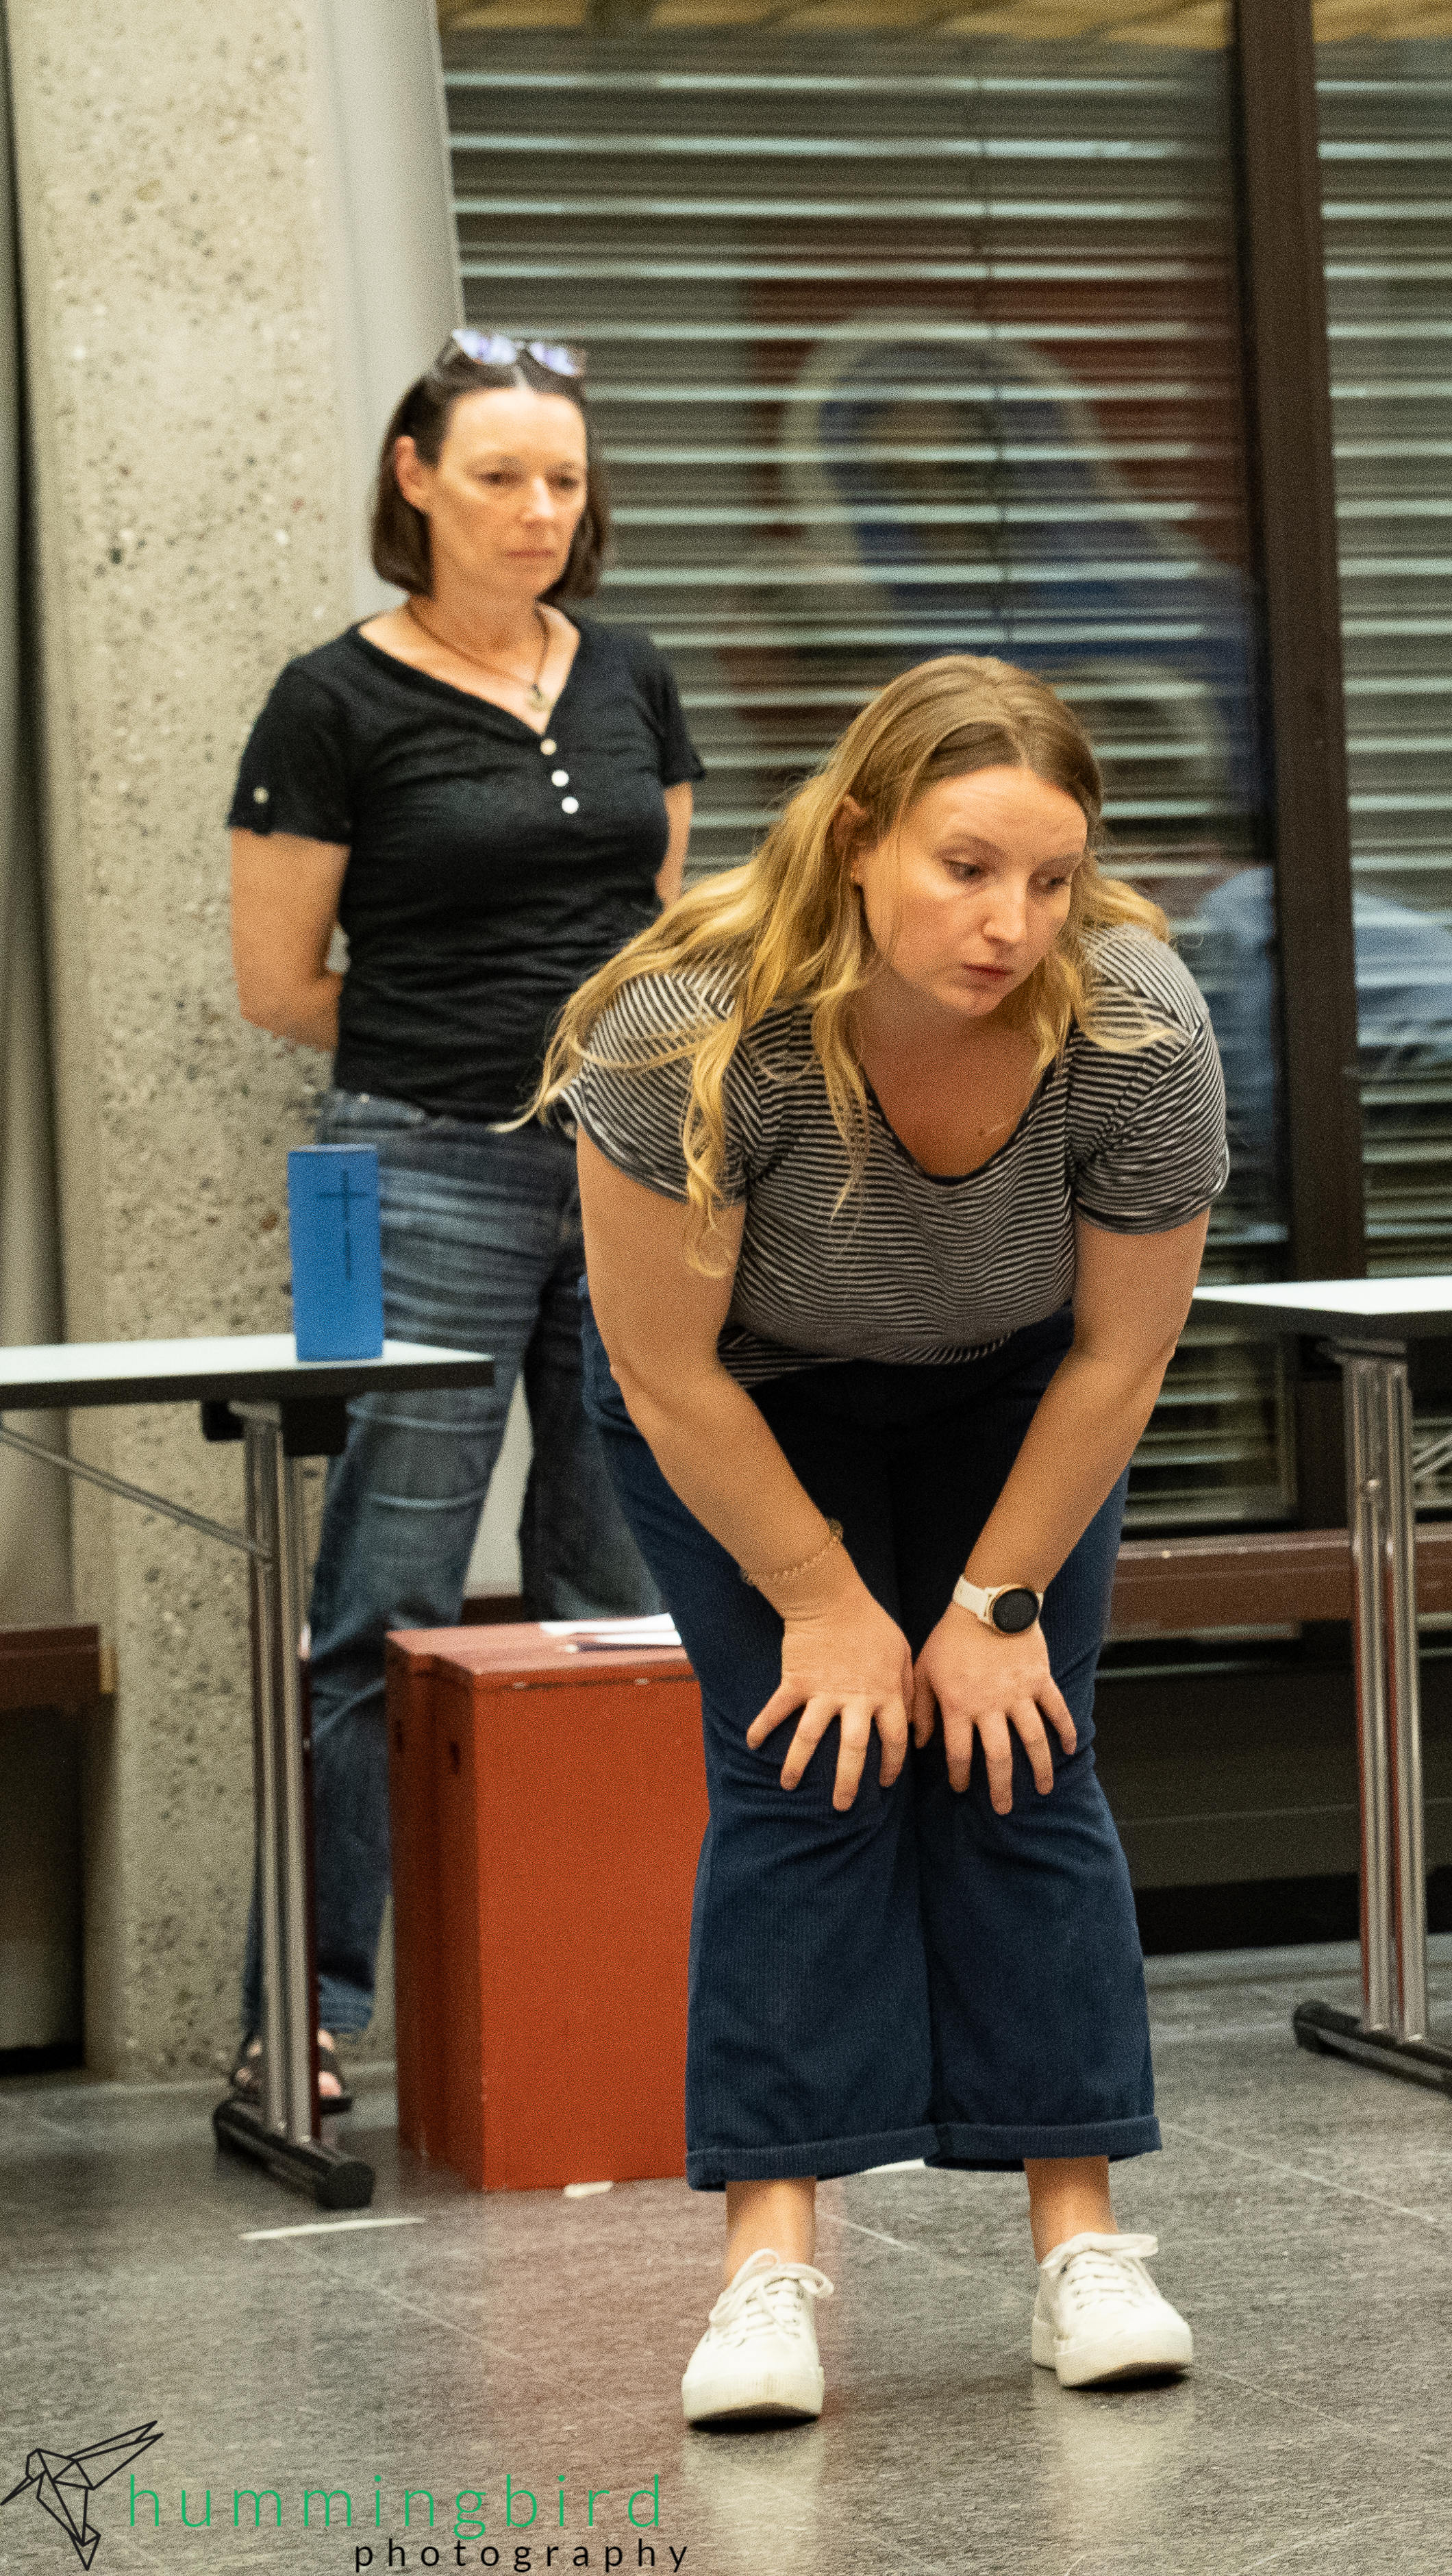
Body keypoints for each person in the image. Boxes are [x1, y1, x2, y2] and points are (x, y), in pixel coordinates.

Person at [531, 655, 1225, 2426]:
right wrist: (827, 1605)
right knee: (808, 1769)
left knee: (1023, 1754)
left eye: (1050, 880)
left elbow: (1122, 1347)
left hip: (1010, 1392)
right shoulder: (687, 1021)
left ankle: (1081, 2243)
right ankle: (768, 2270)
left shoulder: (1132, 1020)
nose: (1012, 921)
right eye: (965, 868)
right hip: (750, 1402)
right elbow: (663, 1367)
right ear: (856, 841)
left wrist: (990, 1603)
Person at [218, 329, 690, 2118]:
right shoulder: (330, 702)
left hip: (638, 1166)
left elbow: (660, 927)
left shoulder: (633, 673)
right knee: (385, 1596)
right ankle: (311, 2012)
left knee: (625, 1590)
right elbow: (280, 983)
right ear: (414, 481)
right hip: (419, 1165)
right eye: (498, 475)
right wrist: (470, 1050)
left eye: (562, 479)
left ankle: (628, 1992)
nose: (537, 511)